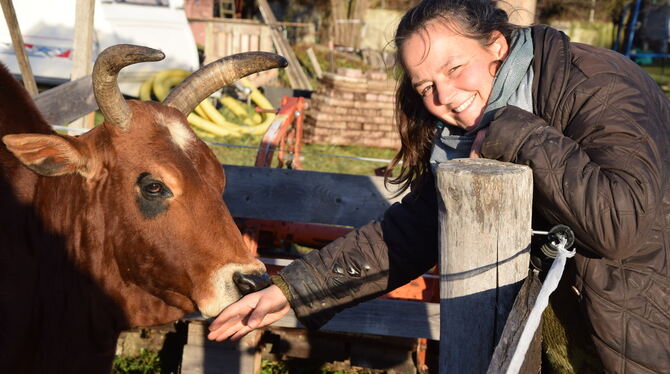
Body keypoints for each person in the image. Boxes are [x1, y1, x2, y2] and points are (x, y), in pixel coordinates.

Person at [208, 0, 670, 372]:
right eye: (425, 86)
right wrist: (291, 290)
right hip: (546, 334)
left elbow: (618, 224)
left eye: (454, 69)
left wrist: (521, 135)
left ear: (496, 45)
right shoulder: (471, 133)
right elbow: (415, 230)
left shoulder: (598, 86)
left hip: (640, 333)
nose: (443, 97)